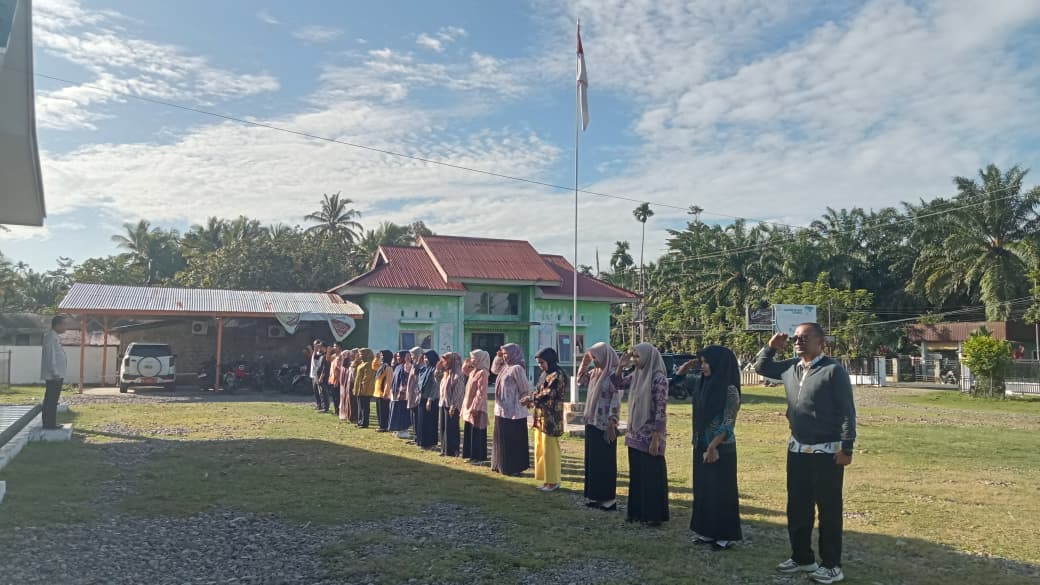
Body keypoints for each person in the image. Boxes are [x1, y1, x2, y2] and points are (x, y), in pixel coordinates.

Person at [756, 323, 856, 584]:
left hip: (827, 451)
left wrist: (847, 447)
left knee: (829, 510)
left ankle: (832, 565)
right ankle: (802, 557)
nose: (798, 342)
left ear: (820, 342)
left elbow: (847, 411)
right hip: (798, 448)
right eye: (796, 338)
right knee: (798, 506)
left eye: (805, 338)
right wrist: (770, 348)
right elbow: (761, 368)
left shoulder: (833, 371)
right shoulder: (791, 367)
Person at [677, 346, 742, 550]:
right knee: (704, 490)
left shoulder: (730, 390)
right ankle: (706, 531)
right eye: (702, 362)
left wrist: (714, 446)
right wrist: (682, 370)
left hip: (720, 448)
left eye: (706, 362)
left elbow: (728, 423)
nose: (703, 366)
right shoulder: (702, 384)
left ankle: (724, 535)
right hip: (701, 445)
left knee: (722, 492)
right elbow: (676, 387)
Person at [615, 343, 670, 526]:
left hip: (650, 436)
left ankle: (653, 515)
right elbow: (617, 384)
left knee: (651, 477)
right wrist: (621, 366)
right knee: (637, 476)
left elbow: (660, 411)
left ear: (648, 357)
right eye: (634, 357)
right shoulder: (637, 375)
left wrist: (656, 438)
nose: (635, 360)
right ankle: (637, 512)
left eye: (638, 357)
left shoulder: (658, 379)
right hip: (635, 434)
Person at [577, 341, 621, 510]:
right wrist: (585, 361)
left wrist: (612, 421)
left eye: (596, 357)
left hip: (605, 424)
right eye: (593, 357)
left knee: (605, 462)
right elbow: (580, 380)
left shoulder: (613, 375)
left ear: (605, 356)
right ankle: (594, 496)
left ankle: (608, 499)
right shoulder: (595, 373)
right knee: (593, 461)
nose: (595, 360)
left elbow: (616, 400)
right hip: (592, 421)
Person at [524, 347, 567, 492]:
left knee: (550, 449)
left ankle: (553, 481)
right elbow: (538, 390)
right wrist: (532, 398)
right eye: (538, 363)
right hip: (541, 416)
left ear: (550, 360)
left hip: (551, 417)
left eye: (542, 362)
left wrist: (530, 398)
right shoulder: (545, 374)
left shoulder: (557, 375)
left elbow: (548, 394)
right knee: (540, 447)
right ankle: (546, 479)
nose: (540, 366)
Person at [491, 343, 531, 476]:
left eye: (507, 353)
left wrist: (526, 402)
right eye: (503, 353)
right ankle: (500, 464)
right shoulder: (505, 368)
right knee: (501, 439)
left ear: (514, 354)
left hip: (514, 412)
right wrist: (498, 357)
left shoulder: (517, 369)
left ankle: (513, 467)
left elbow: (524, 388)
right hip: (501, 409)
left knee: (512, 440)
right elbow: (494, 370)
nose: (505, 356)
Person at [460, 349, 490, 464]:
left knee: (477, 432)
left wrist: (475, 406)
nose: (472, 361)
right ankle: (471, 455)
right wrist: (466, 363)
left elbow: (481, 392)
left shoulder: (483, 373)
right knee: (470, 431)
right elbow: (465, 371)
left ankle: (479, 457)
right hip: (469, 406)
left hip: (477, 408)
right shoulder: (474, 372)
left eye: (474, 358)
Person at [40, 314, 69, 429]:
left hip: (56, 374)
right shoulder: (50, 337)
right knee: (51, 400)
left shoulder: (54, 336)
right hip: (54, 375)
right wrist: (55, 373)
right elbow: (50, 357)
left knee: (53, 400)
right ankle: (49, 424)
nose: (65, 328)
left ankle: (51, 423)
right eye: (64, 325)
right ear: (57, 325)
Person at [438, 352, 465, 456]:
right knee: (443, 427)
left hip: (453, 405)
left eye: (446, 360)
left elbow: (458, 392)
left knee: (452, 428)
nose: (444, 362)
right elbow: (436, 380)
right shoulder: (446, 373)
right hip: (444, 403)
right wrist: (438, 369)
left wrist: (453, 405)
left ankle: (453, 450)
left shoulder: (458, 375)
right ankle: (444, 449)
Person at [416, 349, 441, 449]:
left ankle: (430, 443)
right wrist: (418, 362)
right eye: (424, 358)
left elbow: (435, 386)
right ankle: (422, 442)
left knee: (430, 422)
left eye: (427, 358)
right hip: (422, 398)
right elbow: (414, 372)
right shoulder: (424, 369)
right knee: (422, 421)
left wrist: (430, 399)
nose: (425, 360)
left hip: (431, 400)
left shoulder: (435, 370)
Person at [399, 347, 424, 440]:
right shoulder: (415, 365)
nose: (411, 357)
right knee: (413, 417)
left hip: (417, 396)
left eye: (413, 355)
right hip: (411, 395)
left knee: (417, 418)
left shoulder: (421, 366)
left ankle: (418, 437)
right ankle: (415, 436)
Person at [387, 351, 412, 434]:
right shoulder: (398, 367)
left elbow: (406, 379)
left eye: (399, 356)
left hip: (402, 394)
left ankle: (404, 430)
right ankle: (397, 428)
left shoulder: (407, 366)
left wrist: (402, 391)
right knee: (395, 411)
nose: (398, 358)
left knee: (402, 412)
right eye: (397, 356)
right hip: (395, 393)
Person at [353, 348, 376, 428]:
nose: (360, 356)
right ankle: (360, 421)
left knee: (365, 406)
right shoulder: (361, 363)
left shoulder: (369, 364)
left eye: (362, 354)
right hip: (359, 387)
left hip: (365, 388)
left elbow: (367, 377)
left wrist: (363, 387)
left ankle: (364, 422)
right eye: (360, 354)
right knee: (360, 405)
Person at [373, 350, 394, 432]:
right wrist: (376, 357)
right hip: (377, 393)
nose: (381, 357)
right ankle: (381, 425)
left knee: (384, 411)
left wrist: (386, 393)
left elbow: (388, 382)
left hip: (383, 393)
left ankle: (384, 426)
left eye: (382, 356)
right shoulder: (382, 366)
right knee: (379, 411)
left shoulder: (388, 368)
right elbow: (374, 366)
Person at [309, 340, 327, 412]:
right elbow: (313, 359)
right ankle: (319, 405)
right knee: (316, 391)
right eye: (315, 345)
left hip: (319, 375)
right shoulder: (316, 353)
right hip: (314, 375)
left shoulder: (322, 354)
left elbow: (323, 366)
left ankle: (324, 407)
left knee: (322, 392)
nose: (316, 347)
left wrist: (321, 376)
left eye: (317, 345)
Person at [338, 349, 355, 422]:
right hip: (343, 384)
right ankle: (343, 414)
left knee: (346, 400)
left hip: (346, 384)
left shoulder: (348, 362)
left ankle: (345, 414)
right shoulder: (345, 362)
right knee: (343, 399)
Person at [324, 344, 341, 416]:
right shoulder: (334, 356)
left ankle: (339, 411)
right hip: (332, 379)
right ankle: (336, 410)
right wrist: (328, 351)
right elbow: (328, 359)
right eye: (333, 346)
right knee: (334, 396)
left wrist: (337, 379)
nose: (334, 348)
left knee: (338, 396)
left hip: (338, 380)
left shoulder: (341, 356)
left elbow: (339, 369)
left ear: (340, 347)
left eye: (335, 346)